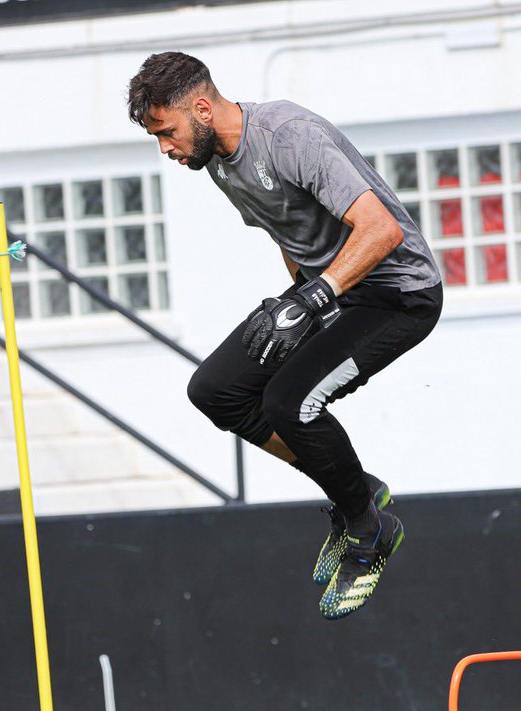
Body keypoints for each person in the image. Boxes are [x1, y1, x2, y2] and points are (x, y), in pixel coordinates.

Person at [127, 51, 442, 620]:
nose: (166, 149)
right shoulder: (220, 163)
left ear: (201, 107)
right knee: (216, 391)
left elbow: (382, 230)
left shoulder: (290, 136)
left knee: (290, 401)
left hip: (398, 294)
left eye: (167, 132)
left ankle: (370, 534)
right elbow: (288, 230)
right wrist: (303, 301)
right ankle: (357, 490)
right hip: (335, 294)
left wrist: (311, 301)